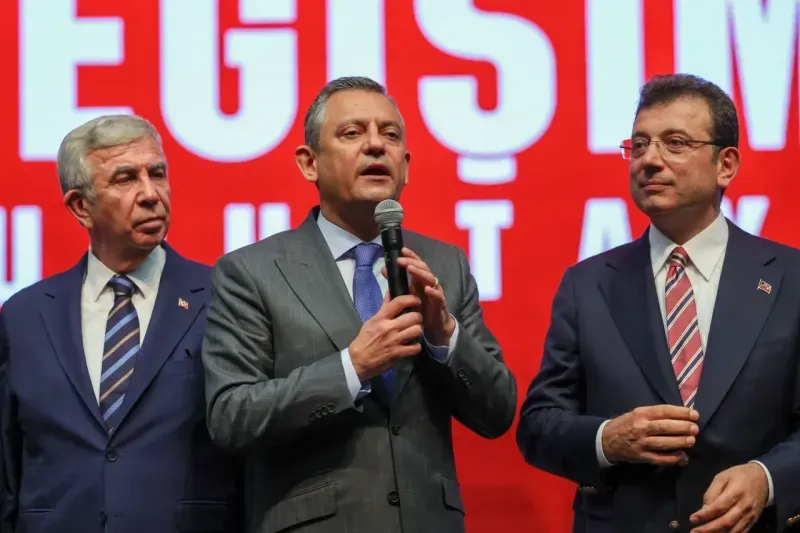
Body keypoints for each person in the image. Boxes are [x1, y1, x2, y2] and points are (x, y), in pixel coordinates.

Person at [201, 76, 517, 533]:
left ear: (405, 165)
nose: (375, 145)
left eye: (390, 135)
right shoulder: (252, 271)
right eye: (352, 133)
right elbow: (231, 416)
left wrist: (445, 337)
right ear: (309, 163)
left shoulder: (443, 264)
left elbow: (498, 412)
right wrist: (352, 367)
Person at [516, 73, 800, 533]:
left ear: (726, 165)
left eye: (675, 143)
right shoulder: (588, 285)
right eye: (640, 145)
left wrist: (767, 478)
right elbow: (538, 426)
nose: (649, 160)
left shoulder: (790, 278)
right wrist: (607, 439)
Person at [0, 114, 242, 532]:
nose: (150, 194)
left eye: (158, 174)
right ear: (81, 206)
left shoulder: (224, 298)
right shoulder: (24, 316)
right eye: (125, 179)